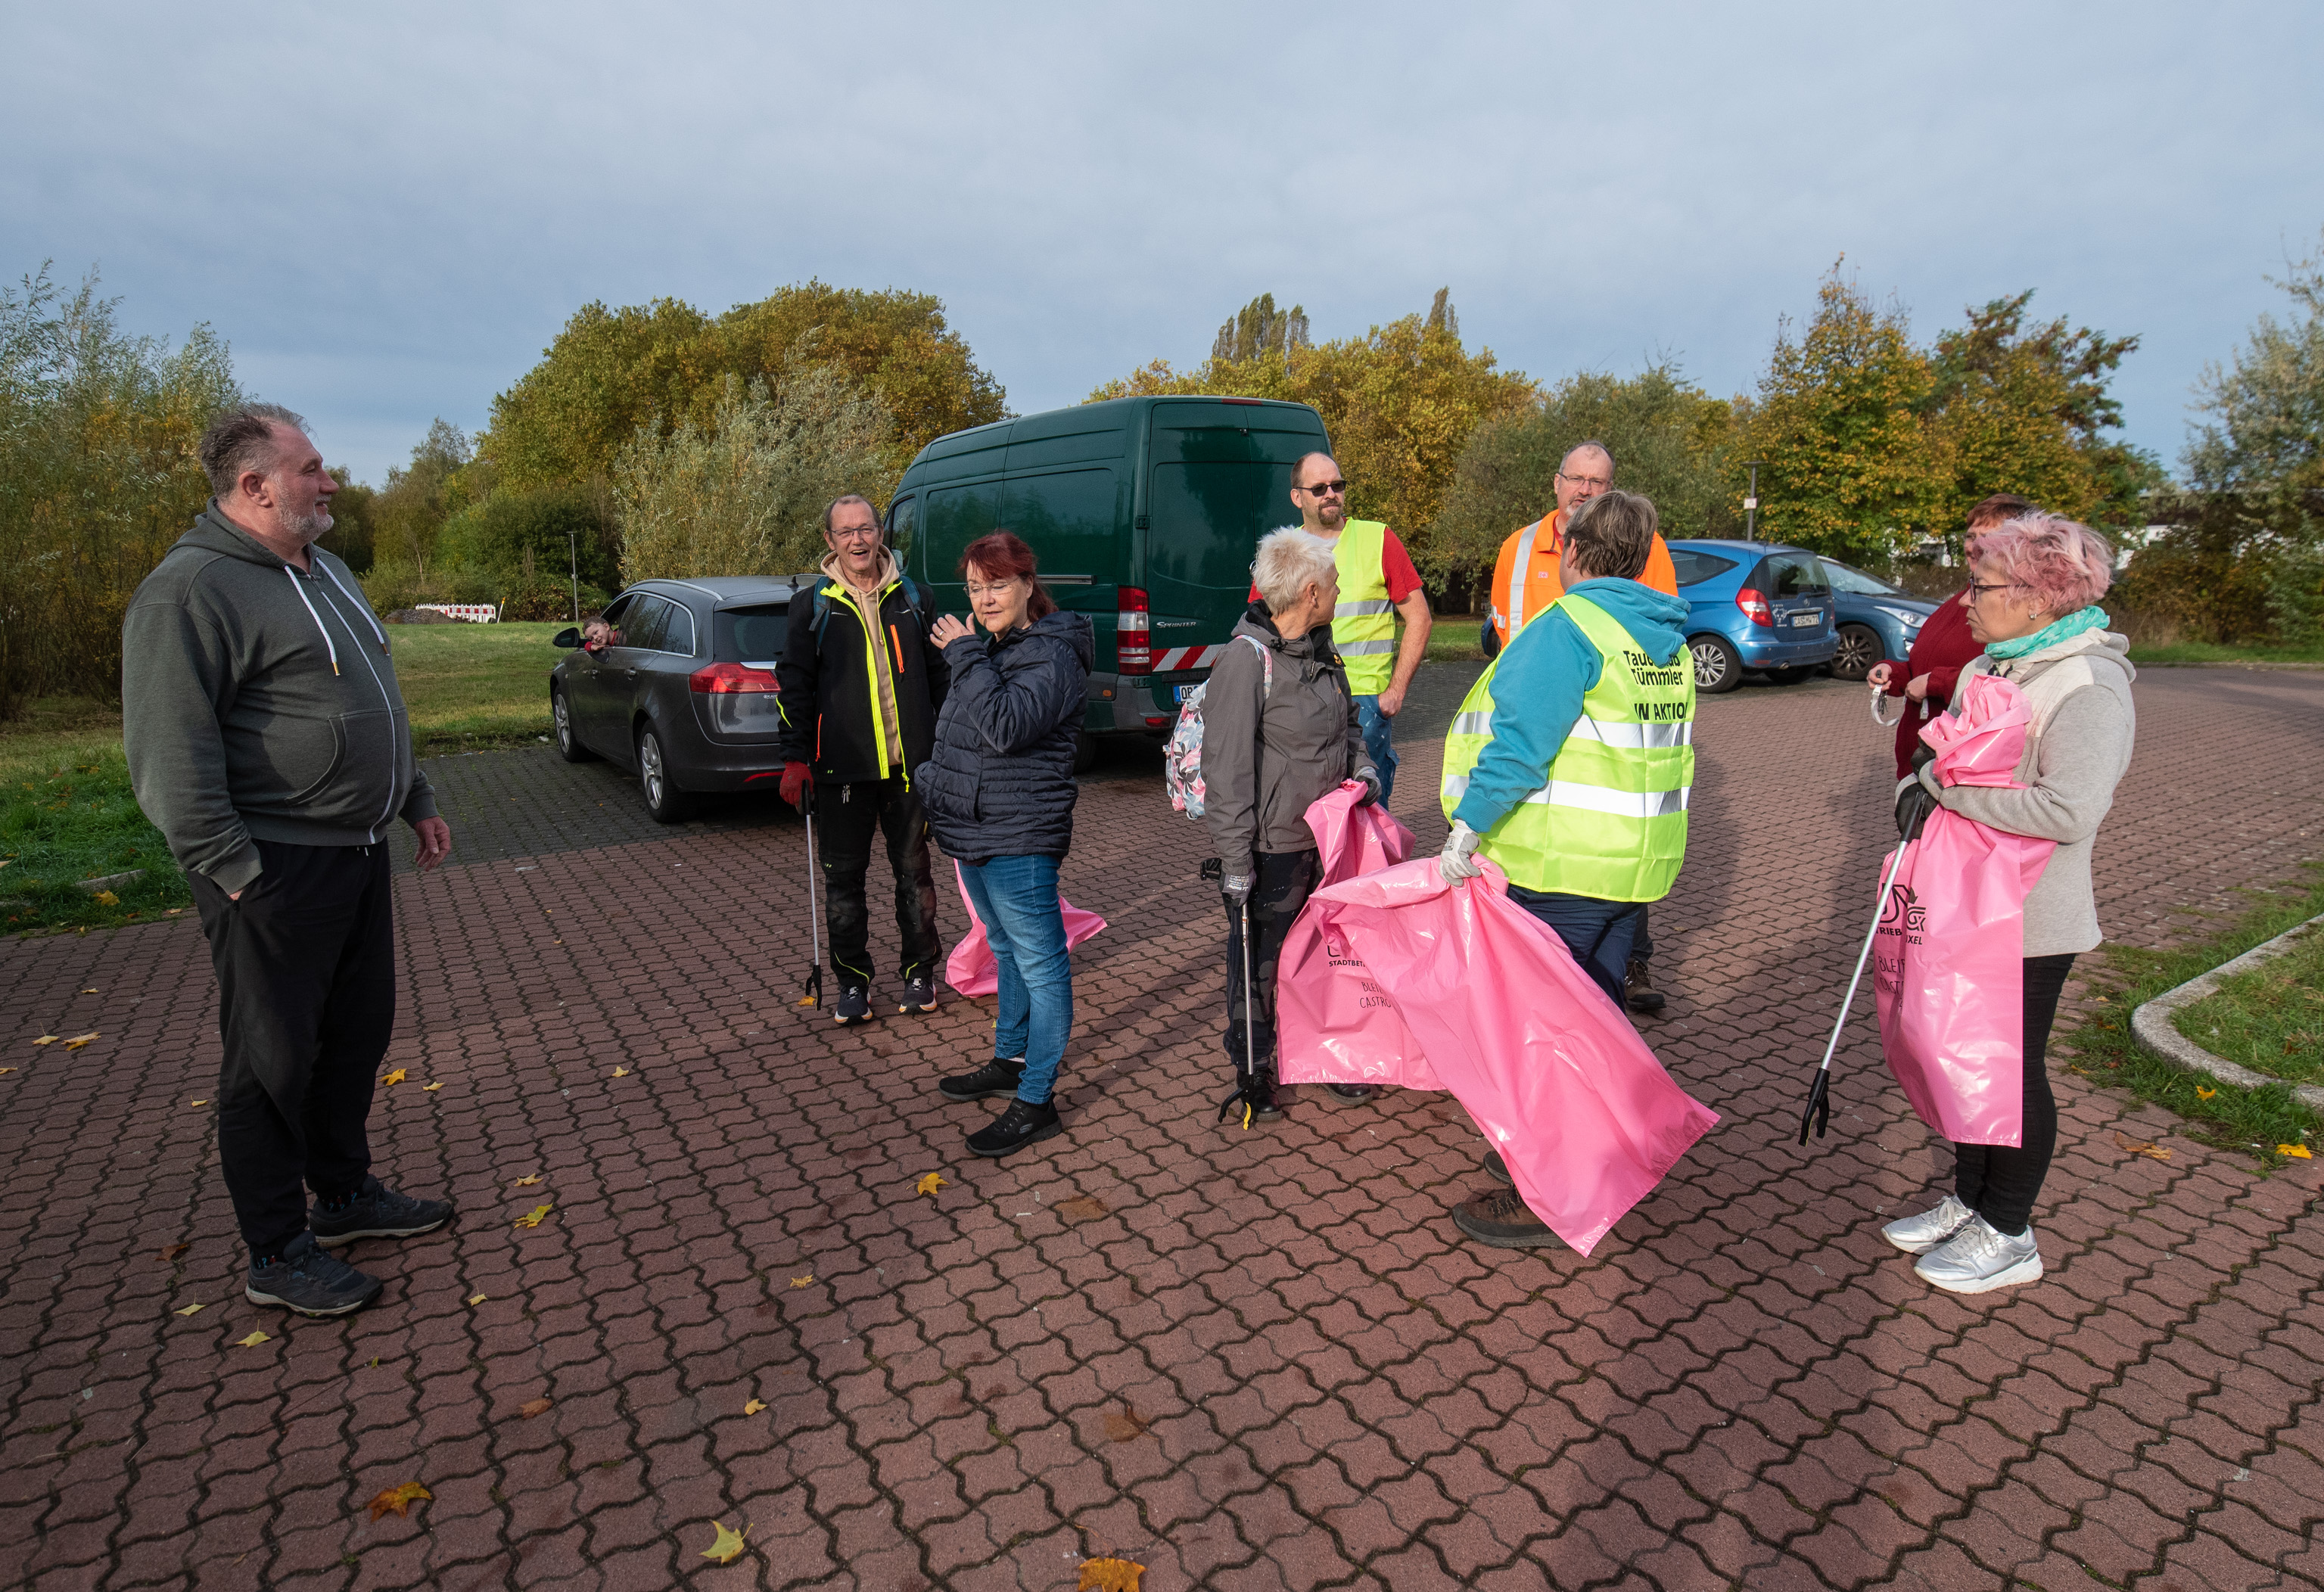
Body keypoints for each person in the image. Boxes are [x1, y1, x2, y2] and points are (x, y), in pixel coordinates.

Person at [122, 403, 456, 1317]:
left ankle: (344, 1197)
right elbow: (167, 754)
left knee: (355, 1036)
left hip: (355, 852)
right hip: (270, 865)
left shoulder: (329, 568)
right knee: (270, 1062)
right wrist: (233, 868)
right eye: (310, 467)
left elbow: (376, 700)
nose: (329, 479)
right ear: (253, 485)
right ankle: (275, 1249)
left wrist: (412, 797)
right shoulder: (190, 591)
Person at [1879, 515, 2134, 1294]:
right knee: (1964, 1063)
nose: (1966, 600)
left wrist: (1948, 794)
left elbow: (2068, 810)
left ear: (2036, 595)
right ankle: (1968, 1200)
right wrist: (1918, 784)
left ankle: (2008, 1230)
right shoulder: (2004, 663)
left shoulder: (2086, 683)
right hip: (1967, 905)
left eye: (1983, 586)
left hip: (2027, 918)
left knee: (2011, 1072)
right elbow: (1941, 752)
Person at [1436, 490, 1696, 1248]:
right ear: (1644, 557)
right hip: (1634, 867)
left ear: (1573, 554)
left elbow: (1519, 747)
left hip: (1563, 867)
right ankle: (1583, 1149)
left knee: (1545, 1034)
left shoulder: (1568, 629)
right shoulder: (1664, 639)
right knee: (1594, 1016)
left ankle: (1549, 1191)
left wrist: (1467, 828)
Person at [1481, 442, 1684, 1016]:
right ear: (1556, 482)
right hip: (1534, 720)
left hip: (1595, 740)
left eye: (1599, 481)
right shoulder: (1516, 549)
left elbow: (1655, 637)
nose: (1586, 490)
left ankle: (1625, 965)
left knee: (1597, 866)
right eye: (1577, 479)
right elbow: (1502, 633)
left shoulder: (1647, 550)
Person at [916, 532, 1094, 1157]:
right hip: (974, 827)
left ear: (1026, 585)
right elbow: (961, 733)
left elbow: (1004, 727)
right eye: (972, 587)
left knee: (1042, 965)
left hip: (1019, 835)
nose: (983, 599)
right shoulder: (998, 649)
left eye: (995, 585)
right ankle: (1010, 1058)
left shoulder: (1051, 654)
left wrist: (964, 655)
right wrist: (932, 782)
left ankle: (1037, 1099)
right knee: (1004, 951)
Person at [1203, 529, 1383, 1121]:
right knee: (1260, 962)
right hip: (1271, 847)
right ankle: (1254, 1066)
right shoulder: (1244, 661)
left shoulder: (1322, 651)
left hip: (1329, 840)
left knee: (1324, 958)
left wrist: (1362, 771)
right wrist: (1235, 864)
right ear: (1310, 592)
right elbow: (1226, 772)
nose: (1338, 591)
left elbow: (1348, 728)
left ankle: (1326, 1055)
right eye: (1332, 585)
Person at [777, 495, 950, 1024]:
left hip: (908, 770)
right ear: (829, 541)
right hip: (840, 772)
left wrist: (947, 749)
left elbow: (944, 680)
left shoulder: (916, 598)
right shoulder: (813, 606)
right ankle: (853, 984)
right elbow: (794, 684)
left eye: (866, 529)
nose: (857, 540)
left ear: (880, 534)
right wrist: (794, 757)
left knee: (914, 879)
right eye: (845, 532)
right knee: (843, 884)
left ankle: (919, 974)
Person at [1282, 453, 1430, 807]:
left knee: (1368, 827)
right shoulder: (1283, 551)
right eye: (1319, 488)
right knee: (1307, 821)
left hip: (1364, 704)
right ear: (1297, 497)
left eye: (1338, 485)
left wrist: (1394, 694)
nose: (1331, 494)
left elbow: (1420, 618)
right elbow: (1262, 630)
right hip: (1300, 705)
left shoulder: (1378, 539)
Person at [1867, 493, 2036, 779]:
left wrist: (1936, 683)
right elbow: (1921, 666)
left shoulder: (2017, 611)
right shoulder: (1958, 601)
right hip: (1921, 765)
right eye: (1971, 536)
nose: (1974, 546)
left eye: (1988, 537)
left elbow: (2013, 682)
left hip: (1963, 770)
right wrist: (1893, 673)